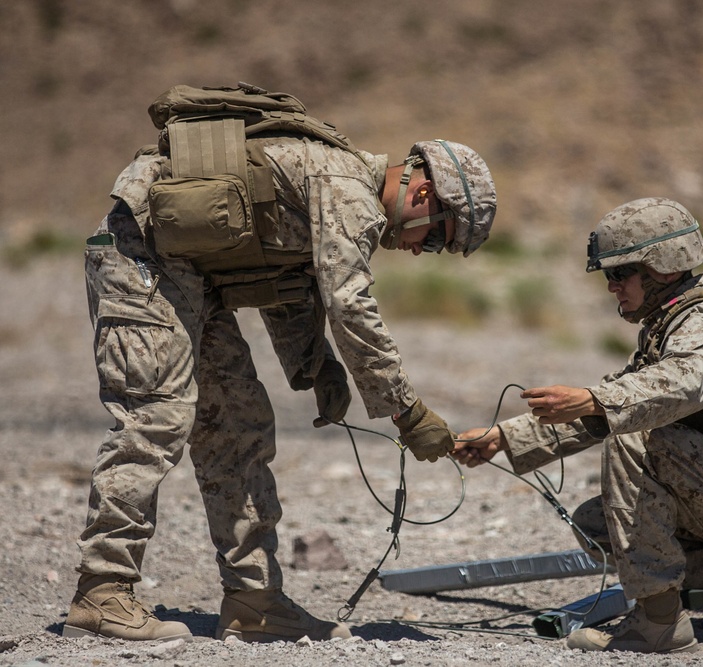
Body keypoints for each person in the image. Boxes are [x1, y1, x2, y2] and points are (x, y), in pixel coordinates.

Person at [65, 100, 497, 643]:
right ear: (424, 194)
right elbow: (349, 305)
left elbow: (288, 283)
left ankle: (255, 601)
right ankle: (102, 590)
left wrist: (319, 368)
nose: (420, 251)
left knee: (239, 425)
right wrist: (406, 411)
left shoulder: (340, 188)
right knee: (157, 419)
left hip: (192, 277)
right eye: (435, 237)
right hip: (139, 257)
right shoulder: (351, 194)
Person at [454, 197, 703, 654]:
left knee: (635, 438)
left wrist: (595, 399)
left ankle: (659, 623)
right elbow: (614, 407)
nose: (612, 287)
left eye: (619, 273)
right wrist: (503, 439)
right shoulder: (672, 324)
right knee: (598, 524)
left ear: (663, 268)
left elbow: (680, 386)